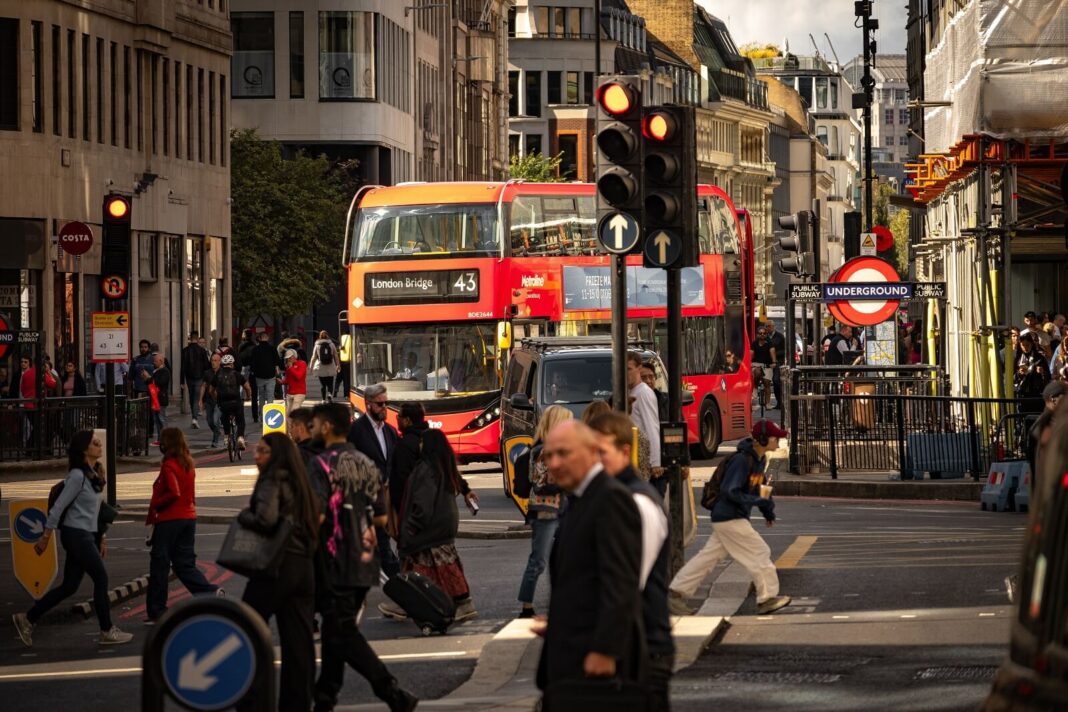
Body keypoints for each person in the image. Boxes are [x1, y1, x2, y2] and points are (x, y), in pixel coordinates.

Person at [306, 402, 417, 712]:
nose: (312, 430)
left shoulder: (321, 464)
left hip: (333, 559)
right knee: (336, 631)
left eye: (315, 424)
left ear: (327, 427)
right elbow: (381, 518)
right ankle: (325, 697)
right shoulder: (367, 464)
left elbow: (316, 516)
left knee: (342, 631)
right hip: (365, 557)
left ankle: (392, 692)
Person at [535, 420, 644, 694]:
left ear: (592, 451)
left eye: (564, 453)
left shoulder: (610, 499)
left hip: (597, 668)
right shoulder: (580, 499)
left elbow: (621, 582)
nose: (554, 464)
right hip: (573, 655)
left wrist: (605, 650)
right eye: (548, 456)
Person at [12, 431, 134, 646]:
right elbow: (58, 508)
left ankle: (28, 619)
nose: (99, 444)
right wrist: (45, 537)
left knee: (69, 586)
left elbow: (96, 510)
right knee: (101, 578)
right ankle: (106, 630)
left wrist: (102, 537)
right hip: (76, 535)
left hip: (85, 535)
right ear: (84, 449)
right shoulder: (77, 476)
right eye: (94, 443)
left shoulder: (94, 475)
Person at [588, 410, 674, 710]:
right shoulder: (608, 496)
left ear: (625, 452)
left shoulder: (637, 501)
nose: (594, 462)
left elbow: (626, 583)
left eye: (602, 453)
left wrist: (604, 646)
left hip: (641, 650)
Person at [668, 419, 792, 616]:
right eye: (775, 437)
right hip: (731, 517)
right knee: (760, 551)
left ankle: (675, 592)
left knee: (707, 558)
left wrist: (767, 511)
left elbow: (760, 488)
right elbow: (729, 490)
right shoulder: (742, 461)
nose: (778, 441)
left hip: (728, 517)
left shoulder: (759, 460)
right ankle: (767, 598)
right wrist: (755, 501)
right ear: (762, 439)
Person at [239, 433, 321, 712]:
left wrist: (244, 516)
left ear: (276, 455)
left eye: (262, 451)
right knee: (298, 643)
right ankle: (296, 704)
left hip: (275, 566)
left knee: (247, 630)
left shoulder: (272, 479)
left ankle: (251, 700)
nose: (256, 456)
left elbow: (266, 520)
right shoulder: (302, 481)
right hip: (303, 567)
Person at [395, 428, 477, 622]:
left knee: (437, 567)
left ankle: (462, 602)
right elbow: (458, 481)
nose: (420, 445)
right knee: (431, 567)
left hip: (430, 528)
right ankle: (407, 604)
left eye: (422, 442)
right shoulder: (443, 464)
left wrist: (411, 527)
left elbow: (423, 504)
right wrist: (466, 491)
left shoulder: (426, 468)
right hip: (443, 526)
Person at [144, 428, 220, 623]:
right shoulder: (188, 463)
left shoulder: (169, 465)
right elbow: (190, 494)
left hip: (169, 519)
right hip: (188, 518)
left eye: (162, 441)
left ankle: (157, 609)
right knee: (184, 564)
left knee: (160, 565)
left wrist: (156, 504)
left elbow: (173, 492)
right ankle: (210, 593)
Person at [515, 404, 571, 619]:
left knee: (562, 559)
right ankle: (526, 606)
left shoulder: (553, 449)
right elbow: (540, 483)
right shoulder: (543, 451)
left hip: (559, 508)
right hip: (545, 510)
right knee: (538, 560)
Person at [347, 384, 400, 577]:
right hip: (365, 498)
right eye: (380, 404)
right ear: (368, 404)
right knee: (380, 545)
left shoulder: (390, 432)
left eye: (387, 403)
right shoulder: (357, 430)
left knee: (382, 543)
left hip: (386, 496)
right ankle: (396, 579)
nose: (385, 407)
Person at [627, 351, 662, 489]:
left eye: (629, 369)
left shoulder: (644, 393)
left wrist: (655, 462)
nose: (626, 373)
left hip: (643, 459)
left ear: (639, 368)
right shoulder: (632, 391)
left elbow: (652, 427)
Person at [207, 354, 251, 450]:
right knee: (240, 420)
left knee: (224, 417)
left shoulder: (218, 375)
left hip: (223, 402)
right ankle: (240, 437)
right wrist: (248, 397)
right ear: (232, 364)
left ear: (222, 364)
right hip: (236, 402)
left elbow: (210, 390)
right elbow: (247, 387)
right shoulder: (237, 374)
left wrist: (216, 398)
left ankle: (226, 436)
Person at [180, 331, 210, 430]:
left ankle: (194, 417)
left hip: (189, 377)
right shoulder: (202, 350)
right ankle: (194, 418)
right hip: (199, 377)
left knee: (192, 396)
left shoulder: (185, 350)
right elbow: (206, 366)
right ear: (197, 338)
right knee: (196, 397)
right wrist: (206, 379)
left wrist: (181, 381)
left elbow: (182, 367)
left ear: (190, 338)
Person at [249, 332, 281, 422]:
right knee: (270, 396)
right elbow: (277, 361)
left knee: (261, 396)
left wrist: (254, 372)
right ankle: (269, 417)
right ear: (268, 338)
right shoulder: (272, 349)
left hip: (259, 376)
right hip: (270, 376)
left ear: (259, 338)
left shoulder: (255, 349)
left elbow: (252, 363)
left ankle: (262, 416)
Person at [199, 352, 224, 449]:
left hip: (219, 401)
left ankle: (215, 441)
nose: (213, 362)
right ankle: (217, 431)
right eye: (212, 360)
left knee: (215, 420)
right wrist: (200, 400)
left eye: (215, 361)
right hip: (209, 401)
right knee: (209, 421)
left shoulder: (223, 372)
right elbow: (203, 386)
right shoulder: (207, 373)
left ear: (220, 362)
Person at [1014, 333, 1050, 400]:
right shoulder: (1017, 358)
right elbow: (1012, 376)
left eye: (1027, 345)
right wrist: (1019, 373)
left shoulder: (1039, 358)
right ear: (1020, 345)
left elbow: (1048, 376)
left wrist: (1042, 372)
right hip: (1022, 392)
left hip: (1036, 392)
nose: (1025, 347)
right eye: (1023, 345)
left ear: (1032, 344)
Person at [147, 353, 171, 444]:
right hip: (155, 399)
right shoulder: (156, 371)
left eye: (155, 361)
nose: (154, 363)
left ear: (161, 361)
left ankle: (166, 439)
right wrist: (148, 379)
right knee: (157, 420)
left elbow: (160, 382)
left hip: (161, 399)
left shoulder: (165, 371)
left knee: (162, 419)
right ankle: (160, 439)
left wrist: (149, 378)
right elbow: (151, 382)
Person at [310, 331, 340, 402]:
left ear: (320, 336)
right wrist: (338, 365)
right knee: (330, 383)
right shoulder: (331, 344)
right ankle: (330, 395)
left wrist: (311, 367)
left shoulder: (317, 345)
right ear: (327, 336)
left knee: (323, 385)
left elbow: (314, 357)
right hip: (330, 366)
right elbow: (336, 355)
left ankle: (323, 399)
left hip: (320, 367)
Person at [280, 349, 308, 413]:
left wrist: (291, 368)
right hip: (290, 393)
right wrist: (281, 382)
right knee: (287, 413)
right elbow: (287, 380)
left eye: (290, 357)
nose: (289, 359)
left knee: (294, 413)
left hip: (299, 393)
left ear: (295, 356)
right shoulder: (288, 366)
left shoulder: (302, 363)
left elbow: (299, 376)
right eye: (287, 358)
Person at [766, 322, 786, 408]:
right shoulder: (765, 337)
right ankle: (777, 402)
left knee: (776, 380)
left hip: (778, 362)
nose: (767, 328)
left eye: (768, 326)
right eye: (766, 326)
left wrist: (774, 354)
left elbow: (785, 350)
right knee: (768, 381)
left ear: (773, 327)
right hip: (768, 362)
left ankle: (780, 401)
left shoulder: (780, 336)